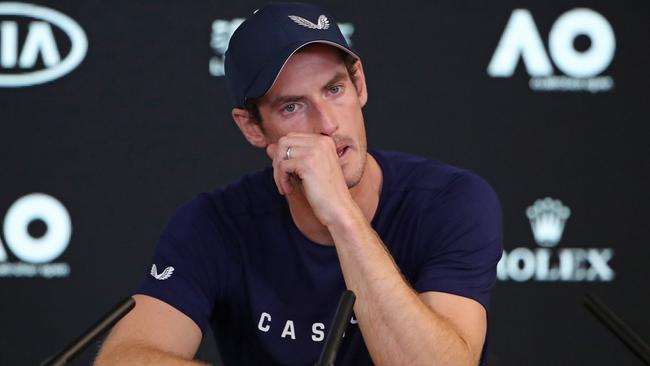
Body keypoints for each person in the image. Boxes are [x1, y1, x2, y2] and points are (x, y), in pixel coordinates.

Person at [95, 2, 502, 365]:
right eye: (292, 106)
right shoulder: (214, 224)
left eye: (334, 89)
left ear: (359, 84)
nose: (327, 125)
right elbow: (123, 359)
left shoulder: (451, 202)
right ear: (253, 128)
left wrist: (342, 216)